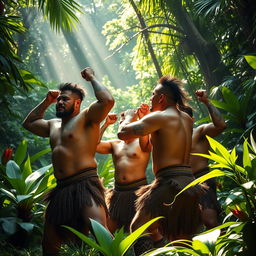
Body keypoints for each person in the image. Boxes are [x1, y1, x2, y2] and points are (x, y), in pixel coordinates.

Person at [22, 67, 114, 255]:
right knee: (49, 245)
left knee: (101, 234)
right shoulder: (52, 125)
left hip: (85, 185)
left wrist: (91, 78)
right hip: (61, 189)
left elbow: (107, 101)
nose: (60, 102)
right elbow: (29, 123)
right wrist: (46, 101)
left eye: (66, 99)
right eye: (59, 99)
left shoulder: (87, 118)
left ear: (78, 103)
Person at [118, 75, 203, 255]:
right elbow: (147, 145)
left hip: (168, 184)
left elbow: (123, 134)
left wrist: (130, 118)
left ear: (161, 98)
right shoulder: (186, 119)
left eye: (153, 94)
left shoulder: (160, 117)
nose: (150, 98)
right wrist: (146, 119)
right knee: (181, 240)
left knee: (138, 227)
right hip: (189, 183)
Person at [96, 106, 150, 233]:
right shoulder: (115, 144)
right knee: (107, 231)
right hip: (118, 194)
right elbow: (94, 145)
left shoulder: (143, 142)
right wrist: (106, 124)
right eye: (121, 121)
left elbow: (145, 131)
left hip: (138, 193)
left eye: (125, 119)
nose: (121, 122)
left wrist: (141, 118)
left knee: (143, 232)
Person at [184, 89, 227, 229]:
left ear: (192, 119)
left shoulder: (199, 131)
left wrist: (207, 102)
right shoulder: (173, 139)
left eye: (185, 117)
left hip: (203, 179)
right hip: (183, 183)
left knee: (211, 221)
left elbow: (221, 125)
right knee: (190, 228)